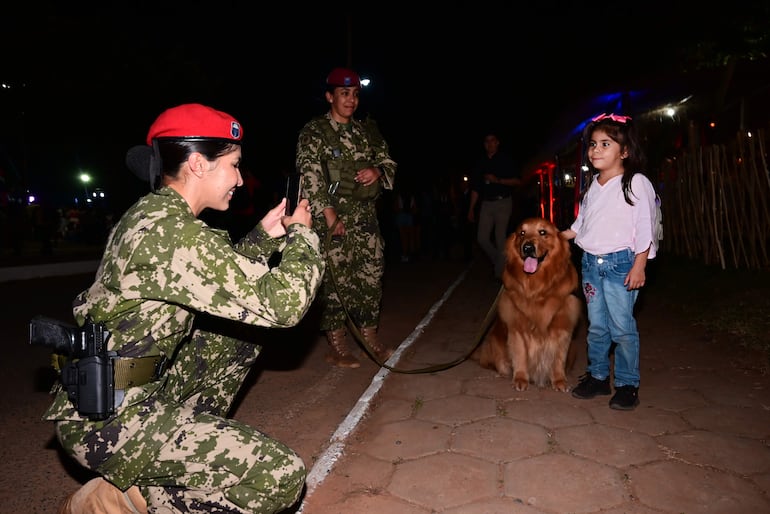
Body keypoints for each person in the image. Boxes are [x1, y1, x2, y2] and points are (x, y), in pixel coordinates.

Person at [44, 103, 325, 513]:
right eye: (234, 165)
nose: (240, 179)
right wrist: (302, 235)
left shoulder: (158, 215)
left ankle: (144, 481)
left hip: (119, 391)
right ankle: (120, 500)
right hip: (109, 422)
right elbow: (282, 306)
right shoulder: (172, 233)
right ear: (198, 164)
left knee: (236, 338)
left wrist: (265, 238)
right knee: (279, 477)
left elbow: (215, 280)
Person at [295, 67, 397, 368]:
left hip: (365, 218)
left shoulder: (367, 132)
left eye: (354, 94)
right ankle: (336, 343)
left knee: (371, 276)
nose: (350, 100)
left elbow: (389, 162)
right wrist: (328, 214)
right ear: (330, 97)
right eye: (343, 94)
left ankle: (370, 337)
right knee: (335, 280)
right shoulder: (314, 133)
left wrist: (378, 171)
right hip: (332, 217)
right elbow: (310, 174)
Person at [561, 112, 658, 411]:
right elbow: (580, 224)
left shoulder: (635, 182)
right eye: (593, 144)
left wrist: (640, 263)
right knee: (597, 327)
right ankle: (599, 377)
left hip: (621, 265)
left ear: (625, 151)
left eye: (605, 144)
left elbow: (646, 226)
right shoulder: (592, 186)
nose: (596, 150)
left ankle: (628, 384)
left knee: (622, 327)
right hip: (590, 264)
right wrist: (553, 237)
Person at [466, 132, 522, 279]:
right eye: (486, 141)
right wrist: (471, 209)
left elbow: (517, 181)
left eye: (492, 141)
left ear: (497, 143)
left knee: (500, 238)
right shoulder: (480, 163)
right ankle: (501, 260)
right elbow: (476, 188)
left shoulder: (506, 160)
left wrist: (498, 180)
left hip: (503, 202)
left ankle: (500, 274)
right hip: (486, 203)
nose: (489, 144)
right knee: (482, 238)